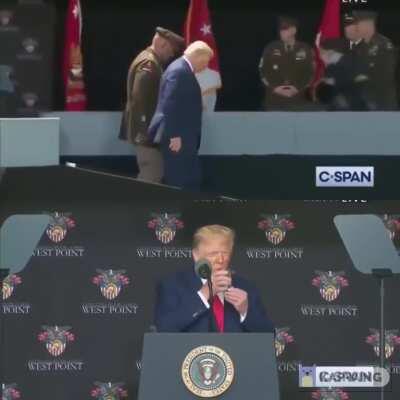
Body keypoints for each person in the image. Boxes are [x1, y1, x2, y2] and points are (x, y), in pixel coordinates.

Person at [155, 225, 274, 333]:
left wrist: (245, 311)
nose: (220, 260)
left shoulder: (246, 286)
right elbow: (164, 328)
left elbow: (269, 336)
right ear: (196, 255)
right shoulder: (172, 285)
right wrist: (204, 294)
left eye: (225, 253)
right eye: (213, 254)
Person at [119, 27, 184, 183]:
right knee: (151, 176)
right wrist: (145, 132)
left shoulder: (149, 60)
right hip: (146, 134)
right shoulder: (149, 63)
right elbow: (138, 98)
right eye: (171, 51)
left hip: (146, 133)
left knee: (152, 175)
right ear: (162, 44)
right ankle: (139, 207)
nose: (171, 56)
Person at [148, 41, 213, 191]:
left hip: (183, 138)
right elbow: (170, 105)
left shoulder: (181, 70)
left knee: (189, 179)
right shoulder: (179, 71)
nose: (205, 66)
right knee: (179, 181)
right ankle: (175, 214)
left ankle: (183, 213)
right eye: (206, 62)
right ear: (198, 57)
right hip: (177, 140)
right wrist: (175, 136)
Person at [259, 16, 314, 110]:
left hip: (298, 102)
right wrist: (275, 88)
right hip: (274, 103)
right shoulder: (270, 48)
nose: (282, 33)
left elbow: (311, 72)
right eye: (281, 30)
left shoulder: (305, 49)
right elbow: (262, 71)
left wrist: (297, 88)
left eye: (285, 29)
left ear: (293, 30)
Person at [353, 10, 398, 110]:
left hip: (382, 100)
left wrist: (365, 76)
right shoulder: (360, 45)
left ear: (368, 25)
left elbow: (387, 73)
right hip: (365, 99)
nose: (356, 27)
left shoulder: (384, 44)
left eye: (358, 24)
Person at [316, 38, 370, 111]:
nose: (320, 54)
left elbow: (356, 71)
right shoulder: (330, 65)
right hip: (343, 91)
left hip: (353, 88)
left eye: (321, 52)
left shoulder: (341, 59)